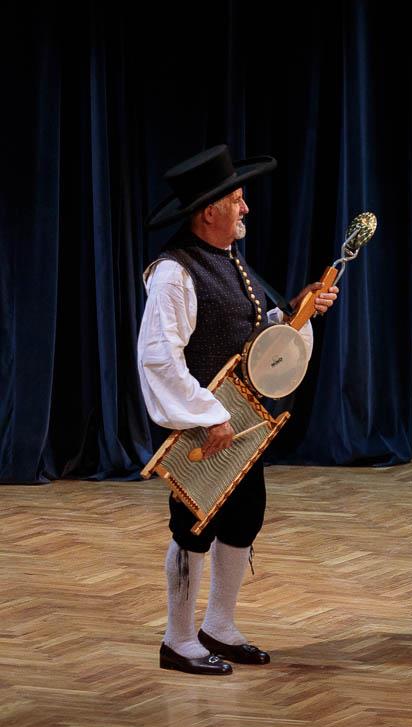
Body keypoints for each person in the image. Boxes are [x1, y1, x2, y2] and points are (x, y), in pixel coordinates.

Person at [139, 145, 338, 673]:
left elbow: (246, 334)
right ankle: (178, 640)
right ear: (209, 211)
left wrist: (294, 313)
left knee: (245, 516)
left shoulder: (227, 259)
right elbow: (159, 357)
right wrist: (208, 415)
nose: (246, 208)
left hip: (241, 420)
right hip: (203, 427)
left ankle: (219, 627)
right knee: (193, 525)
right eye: (237, 199)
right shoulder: (174, 272)